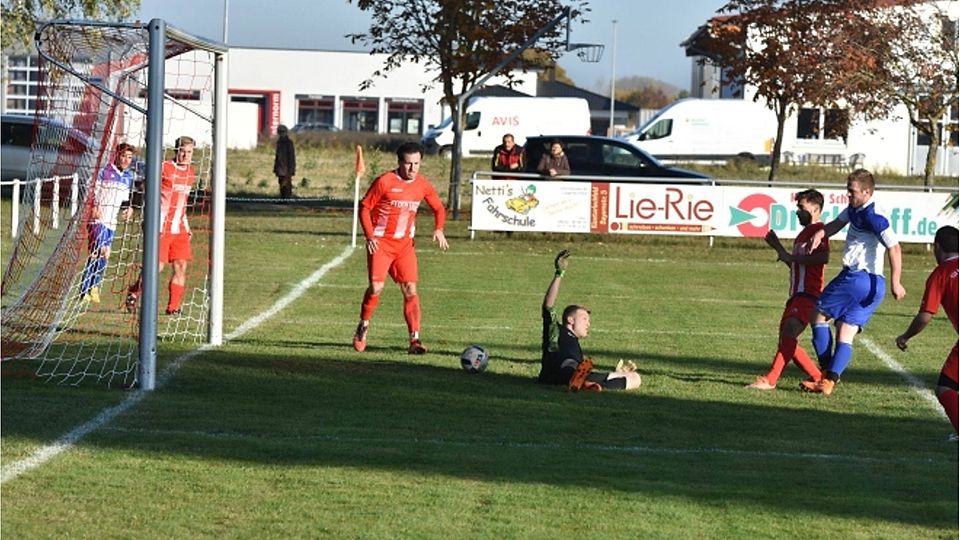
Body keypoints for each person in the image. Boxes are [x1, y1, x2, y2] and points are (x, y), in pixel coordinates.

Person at [800, 169, 906, 395]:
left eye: (852, 191)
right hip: (875, 285)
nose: (848, 195)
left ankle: (824, 372)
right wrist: (820, 234)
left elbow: (894, 247)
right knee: (845, 332)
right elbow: (836, 225)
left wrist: (897, 282)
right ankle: (828, 383)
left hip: (857, 278)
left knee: (817, 316)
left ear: (867, 192)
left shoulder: (873, 216)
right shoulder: (855, 209)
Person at [352, 141, 449, 354]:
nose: (413, 168)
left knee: (410, 289)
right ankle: (363, 325)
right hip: (381, 243)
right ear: (399, 162)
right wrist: (370, 236)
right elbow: (365, 208)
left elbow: (439, 208)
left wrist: (439, 228)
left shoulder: (422, 184)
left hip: (404, 246)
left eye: (417, 163)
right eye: (408, 163)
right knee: (376, 288)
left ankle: (415, 339)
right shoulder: (385, 181)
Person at [747, 189, 829, 390]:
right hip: (796, 294)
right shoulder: (803, 233)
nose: (797, 212)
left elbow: (823, 258)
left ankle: (770, 380)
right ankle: (819, 378)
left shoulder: (820, 230)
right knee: (787, 338)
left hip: (809, 294)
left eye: (801, 207)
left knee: (789, 332)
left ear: (815, 208)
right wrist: (777, 247)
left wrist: (793, 258)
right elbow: (794, 264)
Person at [538, 249, 642, 391]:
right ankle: (580, 380)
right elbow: (548, 306)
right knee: (571, 364)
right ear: (570, 319)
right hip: (558, 373)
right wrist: (559, 274)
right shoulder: (555, 331)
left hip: (576, 376)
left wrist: (619, 373)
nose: (588, 323)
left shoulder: (576, 346)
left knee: (635, 378)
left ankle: (589, 385)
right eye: (584, 318)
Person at [895, 225, 958, 438]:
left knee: (946, 388)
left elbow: (926, 315)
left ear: (937, 247)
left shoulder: (941, 274)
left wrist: (905, 336)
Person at [126, 136, 197, 316]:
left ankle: (173, 307)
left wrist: (187, 227)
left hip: (179, 227)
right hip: (160, 226)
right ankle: (135, 292)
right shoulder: (164, 167)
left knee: (181, 266)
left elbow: (184, 202)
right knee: (156, 267)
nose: (185, 155)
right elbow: (147, 191)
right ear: (176, 151)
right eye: (182, 151)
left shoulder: (191, 173)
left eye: (189, 152)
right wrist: (145, 217)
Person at [79, 143, 137, 303]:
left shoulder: (128, 177)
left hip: (111, 223)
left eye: (130, 157)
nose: (126, 160)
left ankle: (88, 289)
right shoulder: (104, 172)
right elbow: (89, 189)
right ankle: (91, 288)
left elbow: (125, 200)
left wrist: (129, 208)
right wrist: (93, 206)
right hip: (97, 220)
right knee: (103, 251)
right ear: (117, 155)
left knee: (97, 254)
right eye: (124, 156)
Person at [274, 124, 296, 201]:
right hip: (280, 168)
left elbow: (291, 157)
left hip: (287, 168)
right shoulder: (279, 142)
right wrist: (275, 168)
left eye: (282, 131)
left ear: (286, 132)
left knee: (286, 185)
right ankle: (282, 198)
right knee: (281, 184)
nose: (281, 133)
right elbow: (277, 157)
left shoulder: (289, 143)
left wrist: (292, 169)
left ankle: (287, 199)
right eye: (279, 131)